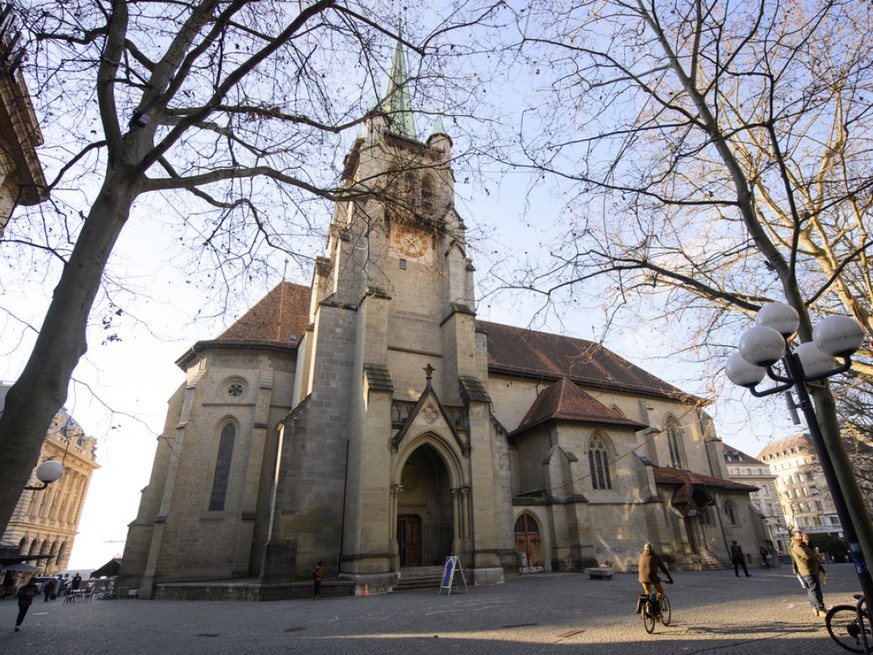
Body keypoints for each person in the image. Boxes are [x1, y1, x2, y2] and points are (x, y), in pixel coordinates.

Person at [789, 530, 826, 617]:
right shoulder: (797, 546)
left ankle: (816, 607)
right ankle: (819, 608)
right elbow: (806, 556)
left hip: (811, 569)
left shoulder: (802, 545)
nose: (801, 538)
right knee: (814, 590)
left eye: (801, 536)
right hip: (807, 570)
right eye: (799, 536)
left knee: (812, 589)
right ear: (795, 537)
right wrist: (816, 556)